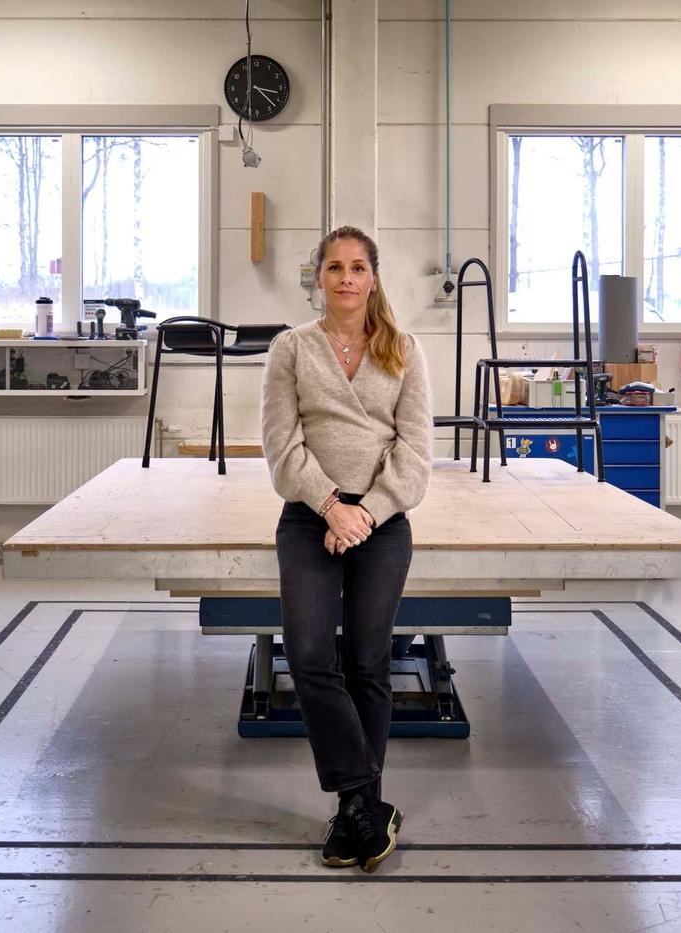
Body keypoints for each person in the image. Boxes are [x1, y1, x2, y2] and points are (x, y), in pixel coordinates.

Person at [260, 225, 433, 872]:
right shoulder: (291, 349)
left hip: (383, 521)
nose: (346, 277)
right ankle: (365, 801)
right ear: (319, 279)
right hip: (310, 518)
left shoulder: (404, 350)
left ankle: (351, 816)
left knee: (366, 662)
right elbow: (282, 450)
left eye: (358, 266)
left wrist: (366, 513)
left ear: (374, 277)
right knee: (308, 656)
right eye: (334, 266)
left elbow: (415, 454)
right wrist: (332, 506)